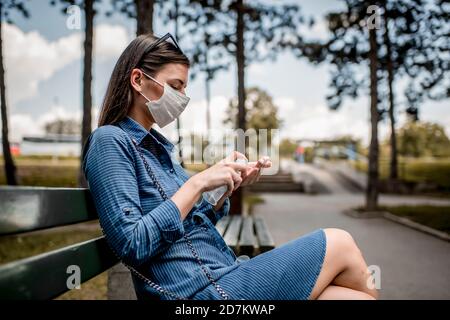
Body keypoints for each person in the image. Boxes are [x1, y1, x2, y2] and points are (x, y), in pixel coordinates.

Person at [82, 33, 378, 300]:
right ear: (137, 80)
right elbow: (131, 244)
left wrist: (223, 186)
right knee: (339, 241)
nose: (182, 98)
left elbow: (190, 223)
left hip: (221, 274)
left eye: (184, 88)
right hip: (198, 293)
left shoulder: (158, 149)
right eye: (174, 86)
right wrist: (197, 183)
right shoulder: (110, 141)